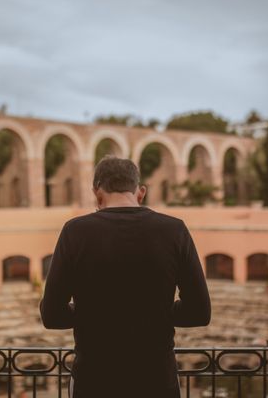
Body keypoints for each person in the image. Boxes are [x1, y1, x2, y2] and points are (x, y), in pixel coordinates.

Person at [39, 155, 211, 398]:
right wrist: (156, 312)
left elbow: (52, 315)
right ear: (140, 192)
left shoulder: (75, 232)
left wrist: (93, 312)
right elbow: (199, 312)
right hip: (156, 380)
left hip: (94, 380)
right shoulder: (174, 230)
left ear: (97, 193)